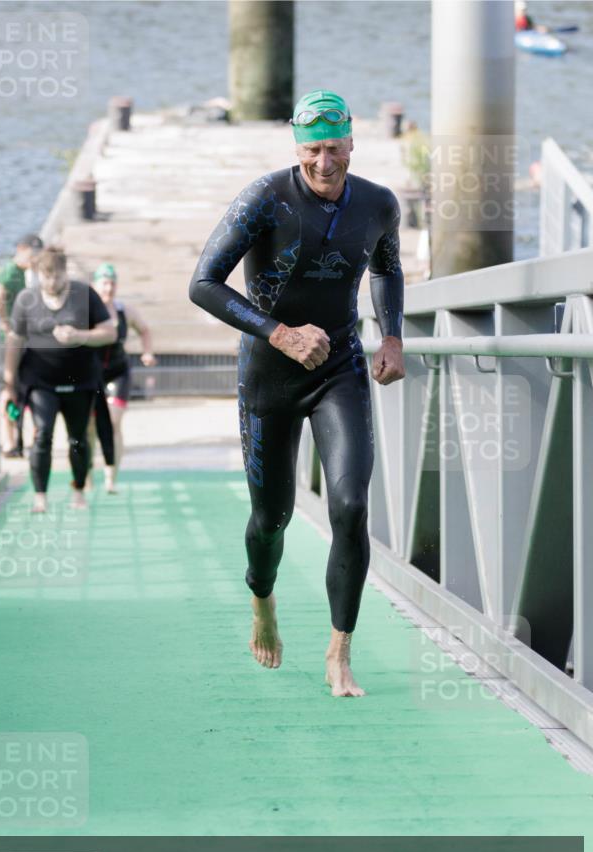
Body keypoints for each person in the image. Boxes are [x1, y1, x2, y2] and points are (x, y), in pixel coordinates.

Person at [189, 89, 405, 697]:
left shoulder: (379, 204)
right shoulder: (265, 198)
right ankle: (262, 601)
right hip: (269, 374)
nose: (324, 162)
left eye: (334, 148)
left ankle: (340, 652)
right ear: (297, 147)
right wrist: (277, 333)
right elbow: (202, 284)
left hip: (340, 367)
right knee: (272, 518)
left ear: (352, 145)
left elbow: (387, 267)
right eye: (312, 149)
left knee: (352, 507)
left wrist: (391, 336)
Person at [1, 247, 116, 513]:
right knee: (42, 435)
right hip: (40, 381)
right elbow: (15, 341)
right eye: (46, 277)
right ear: (37, 274)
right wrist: (9, 383)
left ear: (66, 272)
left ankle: (78, 489)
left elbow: (110, 332)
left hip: (81, 380)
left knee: (78, 439)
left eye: (57, 277)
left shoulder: (84, 294)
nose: (51, 283)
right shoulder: (26, 299)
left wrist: (79, 336)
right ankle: (40, 496)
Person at [88, 263, 155, 493]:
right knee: (89, 427)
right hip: (92, 374)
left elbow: (144, 329)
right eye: (104, 282)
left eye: (112, 283)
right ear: (94, 285)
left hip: (118, 372)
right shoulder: (85, 310)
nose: (108, 287)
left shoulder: (125, 310)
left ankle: (110, 478)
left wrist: (147, 352)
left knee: (113, 422)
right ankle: (86, 473)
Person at [0, 233, 44, 458]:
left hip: (18, 340)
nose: (34, 260)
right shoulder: (10, 271)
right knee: (9, 390)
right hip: (10, 343)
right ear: (21, 248)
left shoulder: (21, 272)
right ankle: (9, 441)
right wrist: (4, 322)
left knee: (15, 389)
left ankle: (14, 439)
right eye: (32, 255)